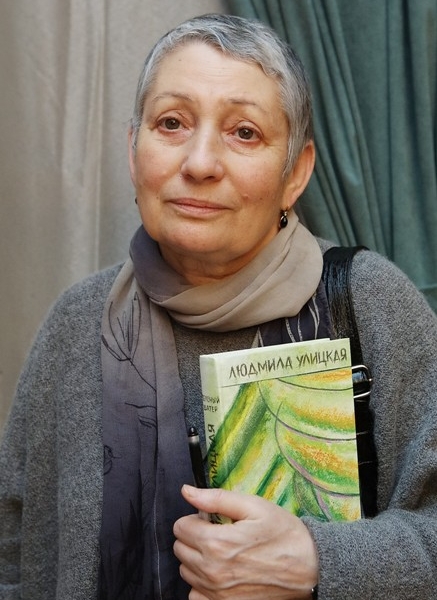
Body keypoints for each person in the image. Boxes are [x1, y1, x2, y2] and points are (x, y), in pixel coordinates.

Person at [1, 12, 437, 600]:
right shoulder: (79, 323)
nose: (201, 163)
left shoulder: (370, 302)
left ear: (295, 174)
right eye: (172, 123)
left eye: (244, 132)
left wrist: (319, 560)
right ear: (133, 151)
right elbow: (13, 553)